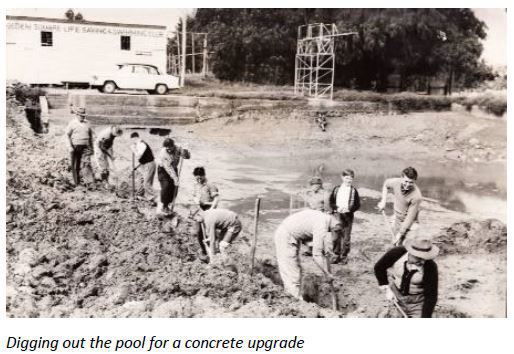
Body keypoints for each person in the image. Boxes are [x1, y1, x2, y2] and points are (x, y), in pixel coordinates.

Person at [274, 209, 342, 300]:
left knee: (295, 271)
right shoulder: (322, 225)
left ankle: (295, 299)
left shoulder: (323, 218)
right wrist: (327, 274)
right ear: (336, 226)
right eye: (333, 231)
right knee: (292, 274)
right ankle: (295, 304)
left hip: (291, 235)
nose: (330, 232)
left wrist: (326, 249)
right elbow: (316, 256)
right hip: (285, 236)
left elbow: (306, 233)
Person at [373, 237, 439, 318]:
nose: (422, 262)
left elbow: (431, 296)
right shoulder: (397, 253)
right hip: (396, 298)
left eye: (425, 258)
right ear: (410, 252)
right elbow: (379, 267)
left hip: (417, 303)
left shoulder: (430, 267)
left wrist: (425, 316)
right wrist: (386, 288)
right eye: (419, 258)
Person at [377, 167, 422, 246]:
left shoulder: (416, 196)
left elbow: (409, 218)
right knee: (395, 244)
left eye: (411, 182)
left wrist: (400, 234)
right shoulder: (396, 182)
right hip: (397, 218)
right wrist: (383, 201)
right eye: (406, 181)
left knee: (407, 247)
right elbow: (386, 184)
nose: (407, 185)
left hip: (410, 224)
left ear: (415, 181)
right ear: (401, 178)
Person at [328, 169, 361, 264]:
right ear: (342, 178)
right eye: (347, 178)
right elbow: (331, 201)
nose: (349, 180)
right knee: (335, 236)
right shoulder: (337, 189)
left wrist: (350, 210)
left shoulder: (354, 191)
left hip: (348, 216)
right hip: (336, 215)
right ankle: (336, 255)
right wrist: (336, 208)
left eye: (351, 178)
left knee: (346, 238)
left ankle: (344, 256)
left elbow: (357, 205)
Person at [156, 137, 190, 215]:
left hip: (173, 168)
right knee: (166, 186)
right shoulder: (163, 153)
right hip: (163, 170)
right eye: (167, 148)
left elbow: (187, 157)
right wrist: (175, 179)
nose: (169, 150)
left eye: (170, 148)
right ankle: (164, 206)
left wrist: (185, 151)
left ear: (173, 145)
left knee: (175, 187)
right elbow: (168, 168)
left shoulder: (178, 148)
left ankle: (168, 205)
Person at [65, 107, 94, 186]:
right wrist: (69, 147)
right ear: (77, 115)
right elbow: (67, 135)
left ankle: (89, 182)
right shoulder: (72, 123)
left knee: (87, 164)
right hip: (75, 146)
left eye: (83, 115)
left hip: (85, 146)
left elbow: (91, 136)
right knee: (75, 165)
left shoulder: (87, 123)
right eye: (81, 115)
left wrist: (92, 148)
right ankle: (76, 183)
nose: (82, 117)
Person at [130, 132, 156, 201]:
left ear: (135, 138)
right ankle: (140, 195)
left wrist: (133, 149)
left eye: (132, 140)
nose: (133, 142)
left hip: (149, 164)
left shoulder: (142, 144)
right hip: (144, 164)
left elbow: (139, 156)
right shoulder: (138, 144)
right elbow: (142, 159)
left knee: (146, 182)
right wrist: (136, 167)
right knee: (141, 180)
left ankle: (151, 198)